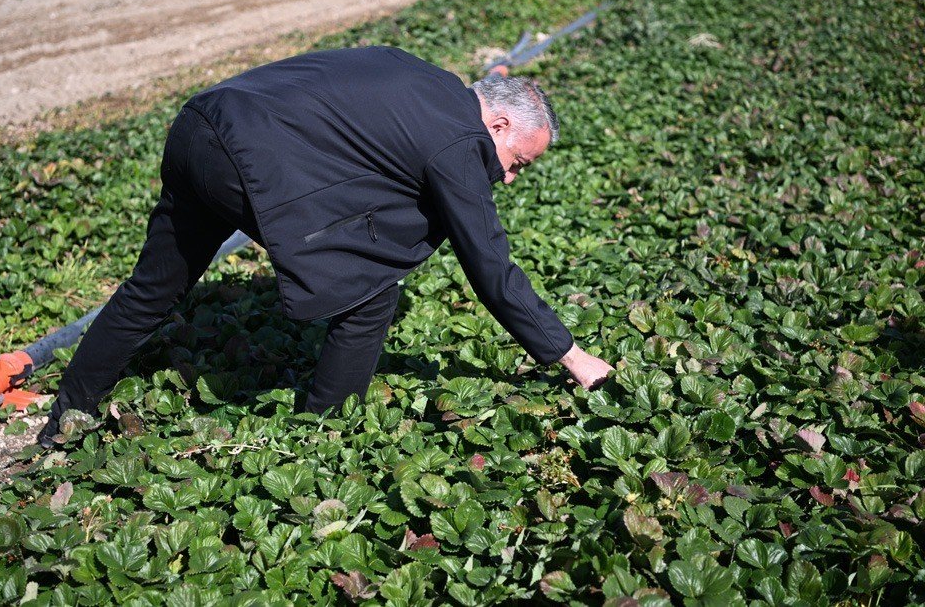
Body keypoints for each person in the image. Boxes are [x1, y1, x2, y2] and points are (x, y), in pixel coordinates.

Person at [37, 46, 612, 447]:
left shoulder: (419, 77)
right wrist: (570, 356)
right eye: (516, 165)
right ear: (501, 126)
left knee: (153, 288)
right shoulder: (460, 141)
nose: (508, 178)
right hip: (244, 159)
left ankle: (66, 419)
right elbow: (490, 265)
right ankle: (323, 436)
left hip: (198, 125)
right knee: (369, 298)